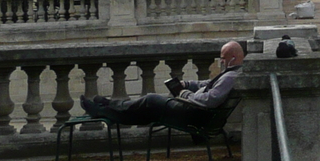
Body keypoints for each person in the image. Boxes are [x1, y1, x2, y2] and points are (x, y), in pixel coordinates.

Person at [85, 41, 245, 125]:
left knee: (151, 99)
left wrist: (185, 94)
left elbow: (210, 99)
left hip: (195, 113)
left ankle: (107, 105)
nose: (221, 61)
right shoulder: (230, 73)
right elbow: (209, 84)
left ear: (233, 57)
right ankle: (106, 110)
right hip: (194, 110)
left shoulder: (230, 76)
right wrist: (187, 84)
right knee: (148, 112)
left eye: (223, 58)